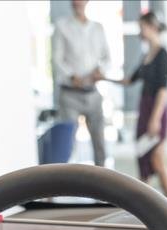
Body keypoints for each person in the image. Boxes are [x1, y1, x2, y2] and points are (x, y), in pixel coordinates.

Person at [111, 12, 167, 199]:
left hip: (156, 110)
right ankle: (145, 205)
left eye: (142, 27)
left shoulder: (163, 55)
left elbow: (163, 90)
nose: (140, 32)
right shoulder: (147, 55)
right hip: (144, 109)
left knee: (158, 159)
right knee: (144, 160)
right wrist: (103, 77)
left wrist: (155, 119)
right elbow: (129, 80)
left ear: (153, 27)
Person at [52, 0, 111, 166]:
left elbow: (107, 58)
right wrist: (71, 76)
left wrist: (100, 70)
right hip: (70, 94)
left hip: (92, 93)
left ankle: (103, 180)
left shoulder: (98, 28)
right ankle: (68, 180)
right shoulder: (62, 26)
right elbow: (56, 59)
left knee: (100, 143)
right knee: (68, 144)